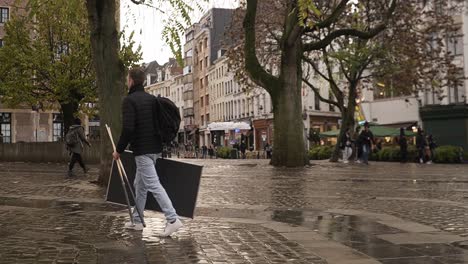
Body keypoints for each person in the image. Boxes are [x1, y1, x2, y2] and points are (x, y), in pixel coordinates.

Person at [113, 67, 182, 236]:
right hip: (155, 149)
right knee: (140, 185)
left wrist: (118, 150)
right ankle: (137, 220)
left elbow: (128, 129)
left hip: (143, 150)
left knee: (153, 184)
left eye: (127, 79)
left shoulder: (129, 101)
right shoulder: (151, 99)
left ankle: (173, 219)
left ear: (131, 80)